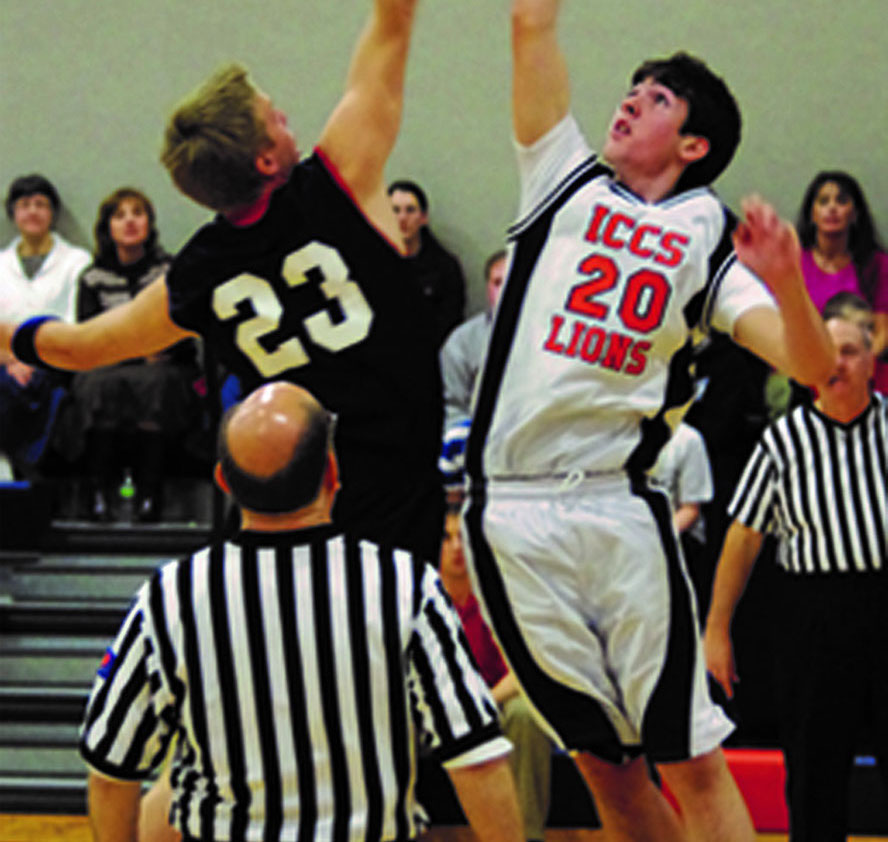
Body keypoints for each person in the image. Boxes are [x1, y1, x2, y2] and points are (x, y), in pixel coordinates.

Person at [461, 2, 836, 841]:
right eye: (633, 88)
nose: (630, 100)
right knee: (605, 766)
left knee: (690, 759)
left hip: (618, 507)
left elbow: (811, 367)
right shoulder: (562, 175)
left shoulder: (707, 237)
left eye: (658, 97)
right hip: (509, 510)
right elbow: (529, 26)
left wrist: (786, 281)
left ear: (694, 145)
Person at [1, 0, 444, 559]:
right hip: (401, 489)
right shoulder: (339, 181)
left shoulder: (199, 274)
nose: (287, 119)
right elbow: (393, 24)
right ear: (265, 161)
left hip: (287, 507)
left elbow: (78, 347)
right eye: (277, 119)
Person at [79, 381, 524, 842]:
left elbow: (111, 768)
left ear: (224, 483)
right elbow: (475, 756)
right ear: (332, 472)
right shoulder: (403, 585)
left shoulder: (172, 596)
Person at [704, 315, 888, 842]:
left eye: (849, 351)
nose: (837, 364)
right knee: (814, 771)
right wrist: (716, 629)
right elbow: (743, 537)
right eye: (826, 353)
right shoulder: (783, 441)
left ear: (871, 362)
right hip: (814, 618)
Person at [70, 187, 199, 521]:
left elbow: (182, 330)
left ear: (149, 224)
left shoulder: (170, 271)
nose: (129, 222)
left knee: (157, 383)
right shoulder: (93, 278)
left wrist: (135, 349)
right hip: (112, 365)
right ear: (107, 227)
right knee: (96, 384)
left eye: (137, 214)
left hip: (164, 365)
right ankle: (98, 493)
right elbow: (89, 333)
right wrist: (138, 352)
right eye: (120, 215)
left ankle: (150, 493)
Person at [439, 499, 552, 842]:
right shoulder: (422, 596)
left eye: (463, 538)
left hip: (493, 704)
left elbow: (522, 670)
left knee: (526, 714)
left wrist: (484, 702)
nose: (456, 548)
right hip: (439, 711)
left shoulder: (496, 594)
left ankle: (528, 835)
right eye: (447, 538)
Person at [0, 174, 91, 477]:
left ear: (52, 213)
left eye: (41, 204)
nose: (33, 212)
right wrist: (11, 359)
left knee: (44, 393)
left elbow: (73, 321)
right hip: (6, 362)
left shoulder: (76, 261)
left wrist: (32, 358)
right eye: (24, 205)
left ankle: (33, 475)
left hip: (55, 359)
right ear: (13, 214)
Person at [796, 170, 888, 396]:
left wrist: (854, 368)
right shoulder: (793, 264)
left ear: (855, 214)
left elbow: (882, 333)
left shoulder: (876, 264)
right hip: (808, 376)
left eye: (842, 201)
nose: (832, 208)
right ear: (812, 214)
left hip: (865, 377)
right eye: (823, 201)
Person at [388, 179, 467, 346]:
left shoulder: (445, 267)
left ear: (423, 217)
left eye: (410, 210)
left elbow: (450, 324)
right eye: (395, 210)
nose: (402, 218)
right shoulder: (371, 263)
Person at [650, 420, 714, 618]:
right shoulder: (620, 434)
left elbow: (691, 510)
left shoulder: (688, 439)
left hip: (677, 542)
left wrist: (655, 538)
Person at [440, 249, 506, 430]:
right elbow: (449, 405)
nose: (505, 290)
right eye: (498, 283)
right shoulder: (463, 341)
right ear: (487, 288)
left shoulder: (547, 336)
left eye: (512, 282)